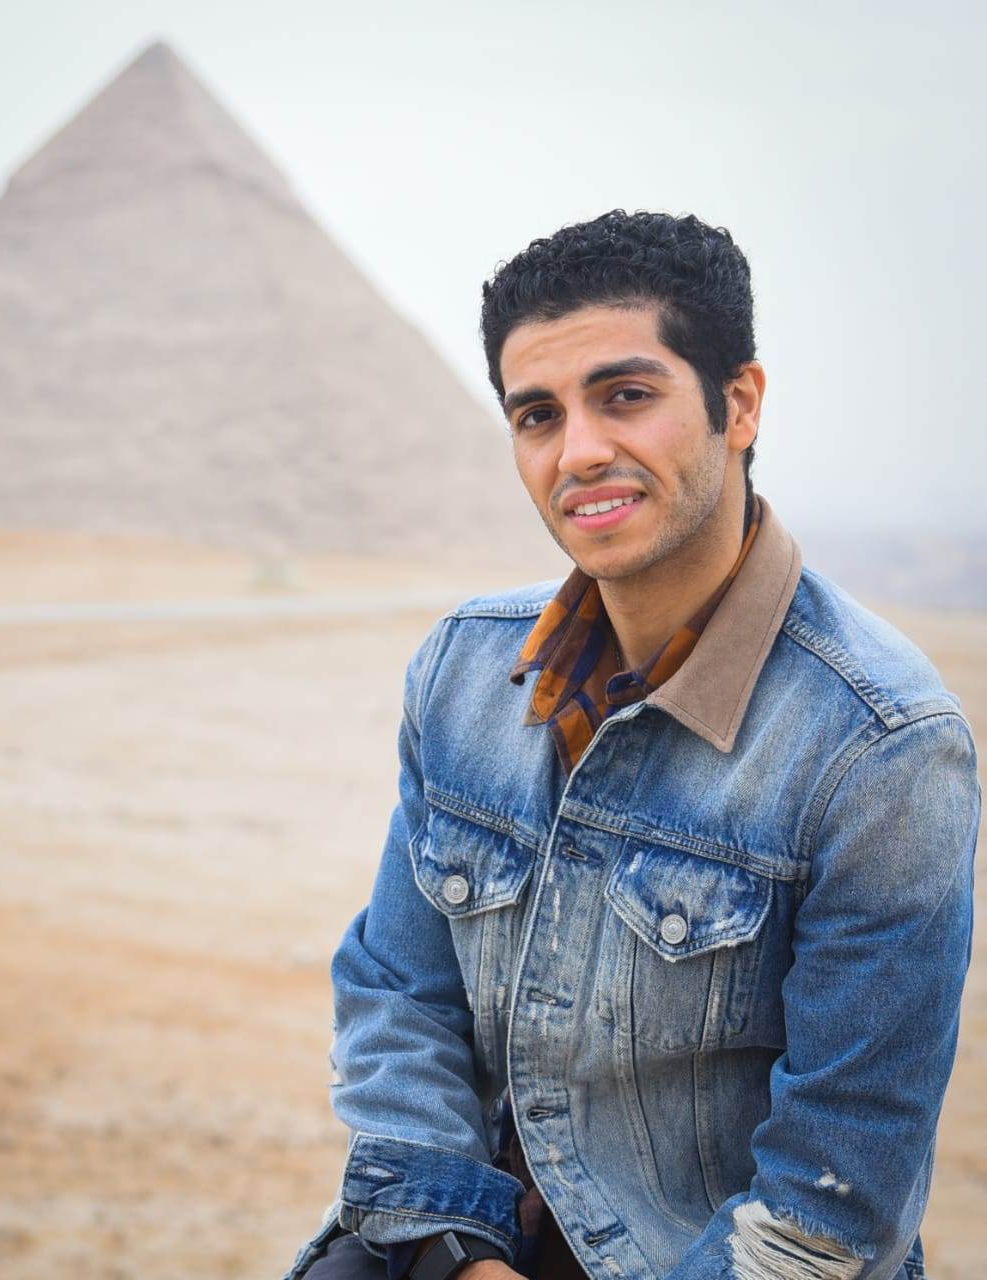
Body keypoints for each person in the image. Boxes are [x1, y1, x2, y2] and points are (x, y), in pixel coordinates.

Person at [283, 210, 980, 1280]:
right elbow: (396, 995)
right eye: (537, 414)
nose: (579, 452)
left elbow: (831, 1200)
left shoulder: (882, 747)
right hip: (470, 1231)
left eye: (626, 396)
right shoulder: (463, 670)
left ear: (739, 404)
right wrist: (456, 1256)